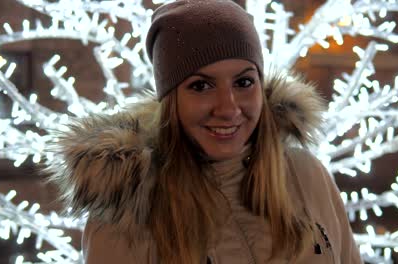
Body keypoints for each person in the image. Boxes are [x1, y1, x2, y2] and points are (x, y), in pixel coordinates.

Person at [46, 0, 362, 263]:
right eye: (201, 85)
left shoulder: (307, 175)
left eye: (243, 82)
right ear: (171, 100)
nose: (228, 108)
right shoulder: (126, 213)